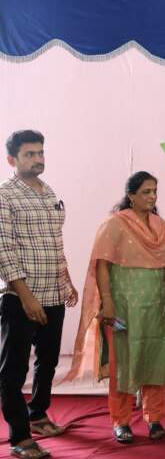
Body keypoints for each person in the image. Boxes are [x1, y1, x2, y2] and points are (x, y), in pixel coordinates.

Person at [67, 171, 165, 443]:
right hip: (124, 305)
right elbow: (102, 265)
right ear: (131, 196)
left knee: (156, 359)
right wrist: (107, 302)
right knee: (123, 362)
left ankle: (155, 418)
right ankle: (121, 421)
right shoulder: (115, 224)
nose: (152, 197)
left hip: (156, 305)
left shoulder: (160, 225)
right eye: (146, 192)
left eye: (154, 191)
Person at [0, 130, 79, 459]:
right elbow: (4, 251)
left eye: (40, 152)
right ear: (12, 160)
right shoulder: (5, 196)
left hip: (54, 293)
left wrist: (66, 280)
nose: (38, 159)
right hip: (21, 297)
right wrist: (26, 297)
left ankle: (38, 414)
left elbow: (54, 243)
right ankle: (20, 437)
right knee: (13, 370)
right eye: (30, 154)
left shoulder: (48, 192)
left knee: (48, 361)